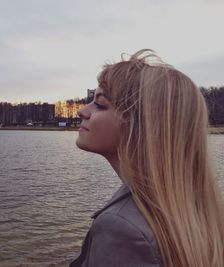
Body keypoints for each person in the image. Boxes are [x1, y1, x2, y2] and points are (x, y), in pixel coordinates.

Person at [69, 49, 224, 267]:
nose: (82, 111)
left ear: (141, 124)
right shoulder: (196, 206)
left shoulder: (123, 229)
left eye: (100, 104)